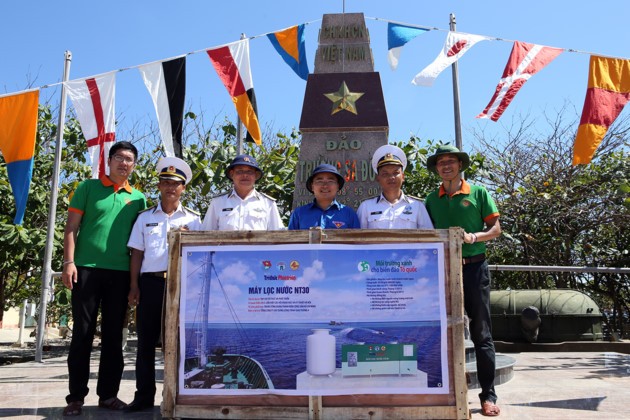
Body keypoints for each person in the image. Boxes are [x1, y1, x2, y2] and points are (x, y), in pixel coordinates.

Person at [61, 141, 147, 416]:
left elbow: (138, 244)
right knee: (82, 335)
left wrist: (135, 282)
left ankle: (108, 395)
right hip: (85, 269)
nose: (124, 163)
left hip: (120, 274)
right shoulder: (87, 188)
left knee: (113, 337)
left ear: (134, 166)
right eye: (119, 157)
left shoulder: (139, 199)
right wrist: (68, 262)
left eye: (129, 159)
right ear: (108, 161)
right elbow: (71, 227)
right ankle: (75, 397)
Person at [424, 145, 502, 417]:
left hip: (474, 267)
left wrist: (474, 237)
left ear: (460, 165)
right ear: (436, 168)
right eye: (441, 162)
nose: (446, 166)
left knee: (482, 333)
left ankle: (488, 395)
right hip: (442, 270)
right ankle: (447, 390)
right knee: (443, 330)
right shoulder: (431, 200)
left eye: (451, 162)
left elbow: (496, 229)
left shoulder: (478, 192)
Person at [125, 157, 201, 412]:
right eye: (166, 182)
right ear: (158, 186)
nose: (170, 188)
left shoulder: (194, 220)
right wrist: (134, 286)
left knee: (179, 344)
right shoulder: (145, 217)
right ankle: (144, 396)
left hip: (182, 286)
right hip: (151, 284)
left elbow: (200, 255)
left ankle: (178, 396)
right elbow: (137, 253)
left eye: (176, 184)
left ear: (183, 188)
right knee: (146, 342)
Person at [357, 144, 433, 229]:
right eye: (385, 174)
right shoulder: (366, 207)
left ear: (403, 176)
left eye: (396, 173)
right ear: (378, 178)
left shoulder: (417, 206)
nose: (391, 177)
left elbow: (429, 238)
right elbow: (358, 239)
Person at [200, 154, 283, 230]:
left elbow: (278, 237)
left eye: (249, 172)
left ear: (256, 175)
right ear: (232, 174)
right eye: (240, 171)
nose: (245, 175)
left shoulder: (268, 203)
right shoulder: (218, 202)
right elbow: (205, 234)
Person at [288, 163, 359, 230]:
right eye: (319, 181)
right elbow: (290, 241)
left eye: (330, 181)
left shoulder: (349, 214)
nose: (325, 186)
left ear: (338, 186)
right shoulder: (299, 214)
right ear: (312, 186)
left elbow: (357, 241)